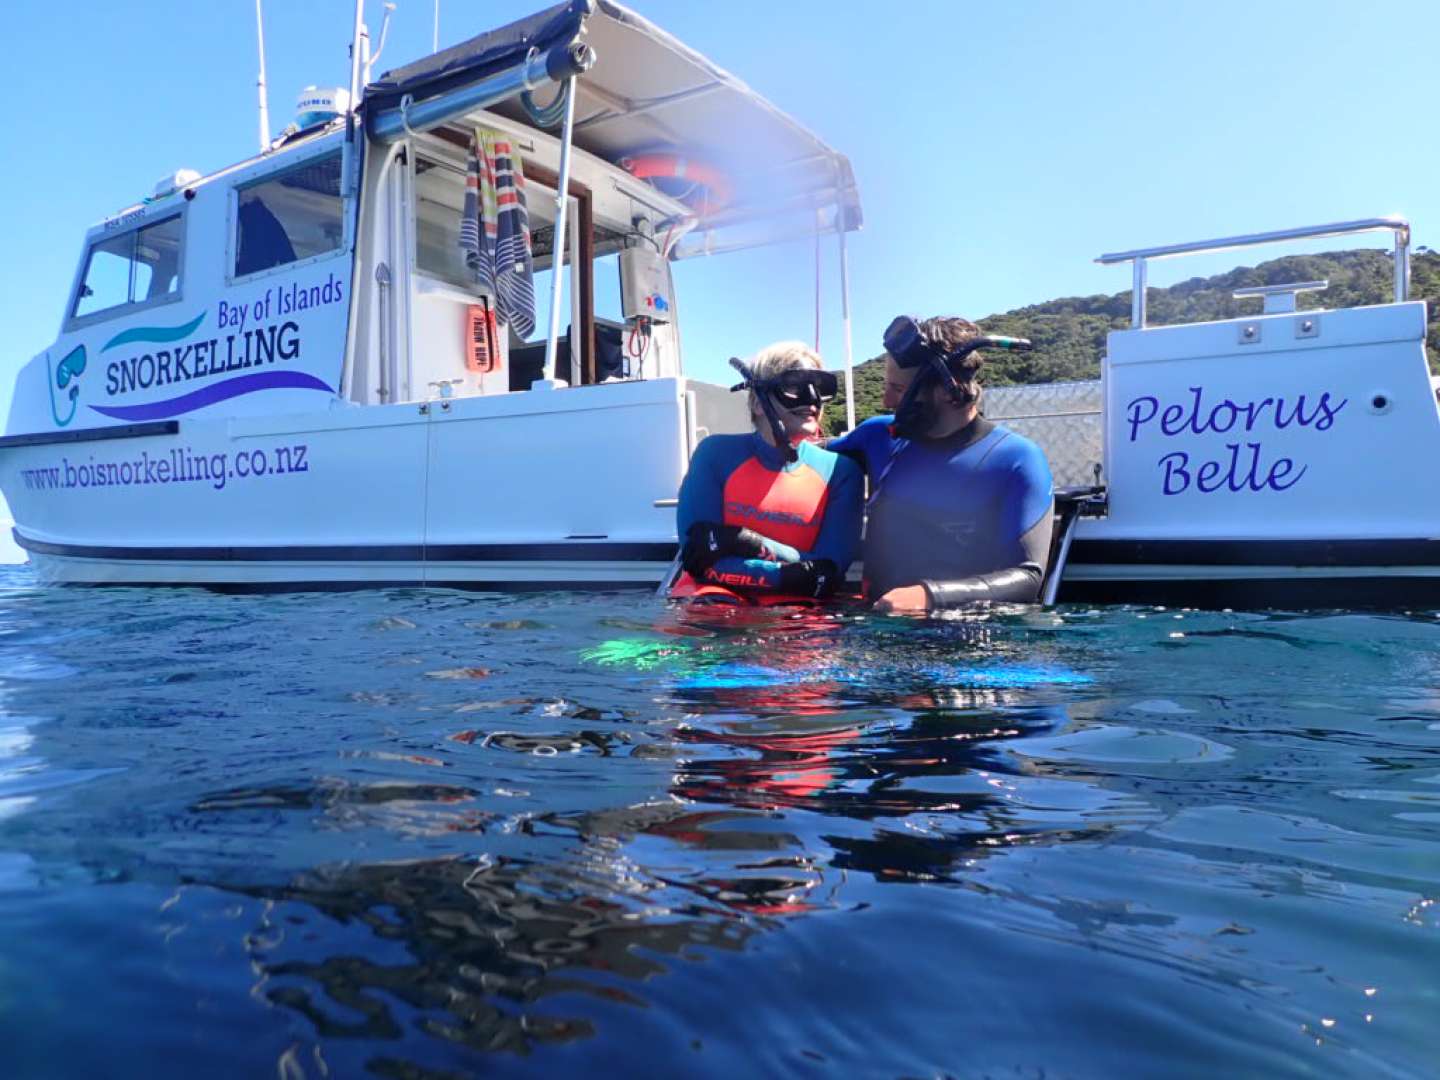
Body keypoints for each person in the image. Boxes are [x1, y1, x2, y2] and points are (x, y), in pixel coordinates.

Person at [829, 315, 1054, 613]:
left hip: (967, 642)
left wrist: (930, 596)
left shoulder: (1016, 459)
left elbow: (1028, 578)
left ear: (949, 391)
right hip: (878, 633)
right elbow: (797, 462)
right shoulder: (877, 437)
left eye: (898, 390)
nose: (885, 401)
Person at [672, 341, 862, 603]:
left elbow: (825, 575)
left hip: (796, 620)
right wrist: (787, 574)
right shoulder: (714, 454)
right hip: (712, 610)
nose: (812, 399)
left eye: (819, 387)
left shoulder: (841, 472)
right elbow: (698, 561)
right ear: (759, 404)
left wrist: (749, 543)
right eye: (794, 386)